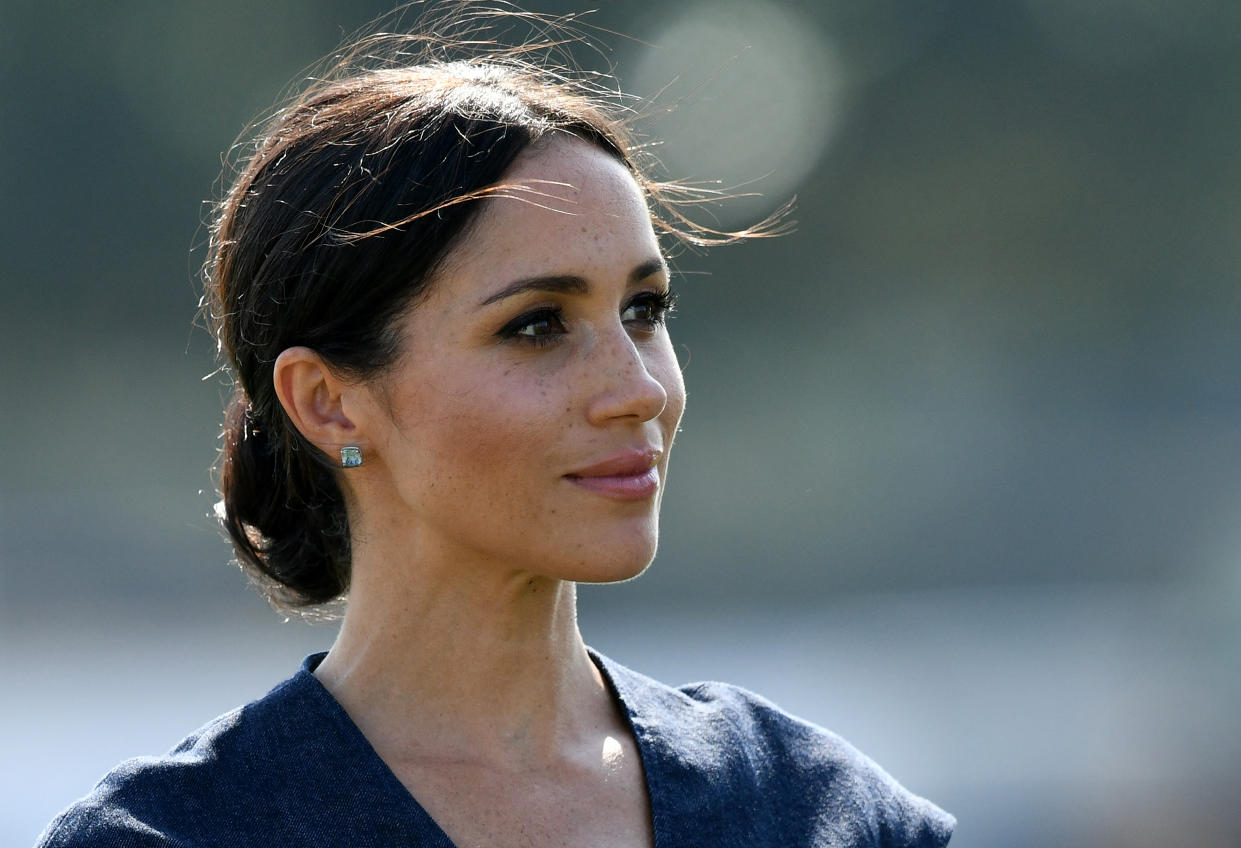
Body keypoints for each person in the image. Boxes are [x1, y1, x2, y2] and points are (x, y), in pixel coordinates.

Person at [36, 6, 954, 846]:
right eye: (537, 325)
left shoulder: (816, 812)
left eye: (644, 310)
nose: (636, 389)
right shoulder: (178, 836)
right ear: (328, 402)